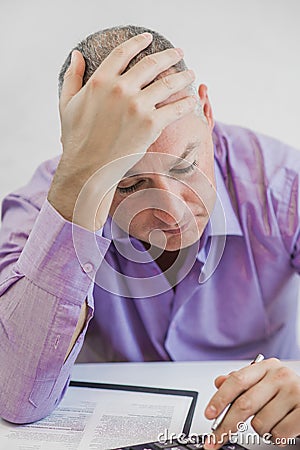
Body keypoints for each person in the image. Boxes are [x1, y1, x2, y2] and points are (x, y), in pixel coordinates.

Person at [0, 24, 299, 445]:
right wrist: (77, 187)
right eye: (127, 185)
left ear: (206, 112)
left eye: (184, 166)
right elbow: (17, 399)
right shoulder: (41, 209)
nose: (171, 210)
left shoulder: (283, 185)